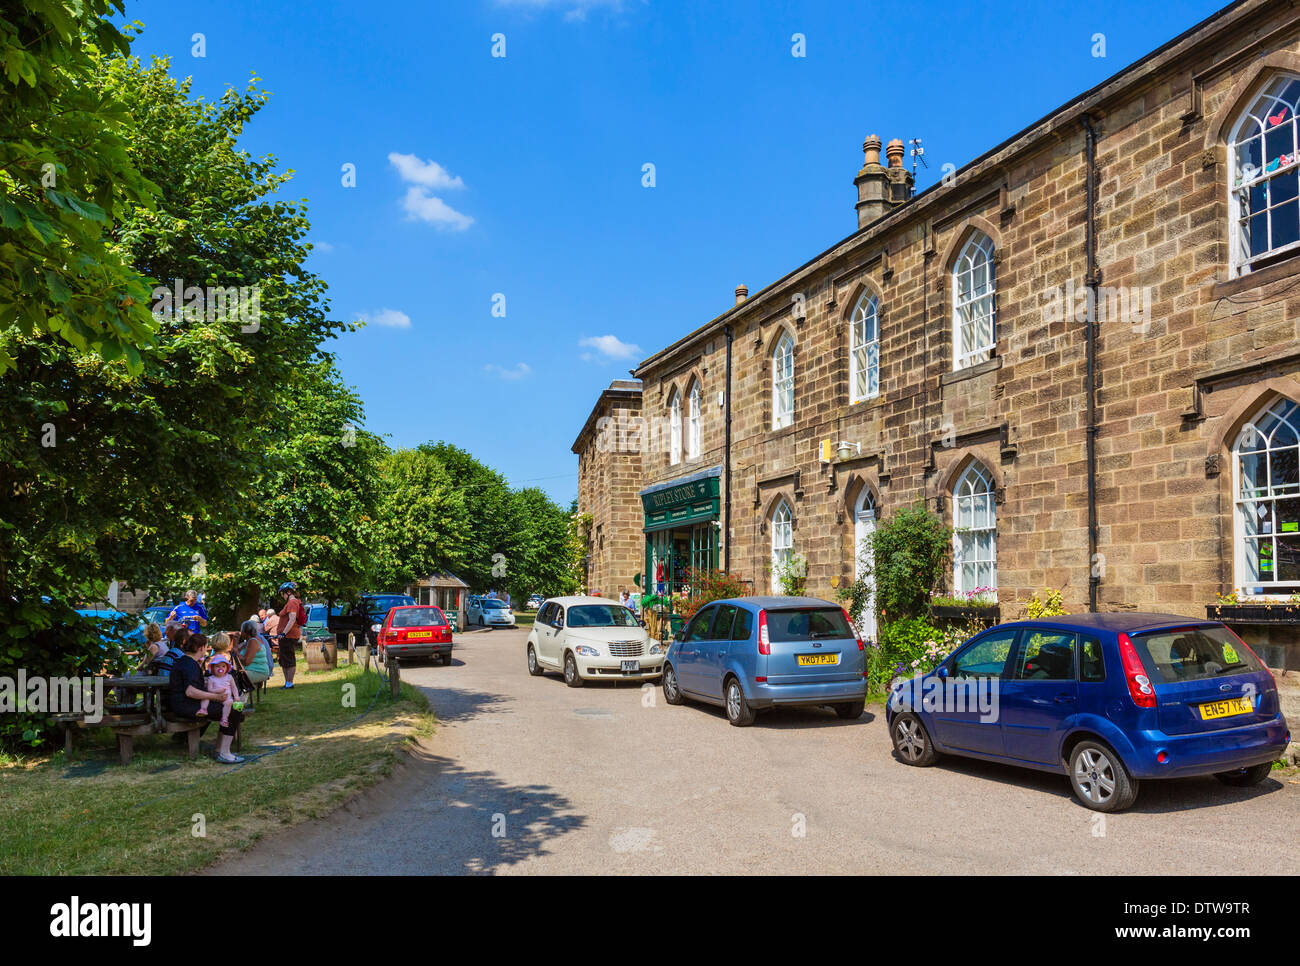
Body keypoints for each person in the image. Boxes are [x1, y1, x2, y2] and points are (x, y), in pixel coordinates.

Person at [168, 632, 245, 764]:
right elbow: (190, 691)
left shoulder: (184, 661)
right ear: (201, 648)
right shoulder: (191, 665)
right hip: (186, 706)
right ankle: (224, 753)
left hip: (179, 703)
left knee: (231, 709)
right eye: (206, 647)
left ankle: (219, 750)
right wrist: (216, 696)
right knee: (234, 711)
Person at [197, 653, 242, 727]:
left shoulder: (229, 677)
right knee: (206, 696)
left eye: (223, 666)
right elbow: (209, 689)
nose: (220, 668)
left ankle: (224, 719)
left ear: (227, 668)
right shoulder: (211, 678)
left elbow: (234, 687)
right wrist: (217, 691)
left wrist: (236, 696)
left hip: (226, 698)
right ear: (212, 668)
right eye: (217, 666)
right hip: (214, 697)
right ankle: (203, 709)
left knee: (229, 702)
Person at [277, 581, 305, 689]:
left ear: (288, 592)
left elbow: (292, 619)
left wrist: (284, 633)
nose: (282, 596)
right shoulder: (293, 602)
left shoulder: (292, 602)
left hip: (288, 636)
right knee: (284, 659)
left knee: (289, 659)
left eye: (283, 593)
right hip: (285, 636)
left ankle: (289, 683)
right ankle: (287, 682)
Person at [237, 620, 272, 687]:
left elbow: (246, 662)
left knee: (234, 678)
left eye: (241, 630)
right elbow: (234, 650)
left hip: (258, 672)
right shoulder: (248, 641)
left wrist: (237, 652)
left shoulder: (253, 641)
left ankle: (240, 696)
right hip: (251, 670)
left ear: (245, 631)